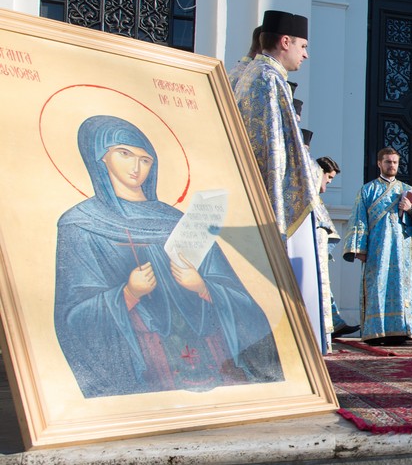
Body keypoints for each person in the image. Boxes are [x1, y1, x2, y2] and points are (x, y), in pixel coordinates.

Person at [54, 115, 281, 397]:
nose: (136, 167)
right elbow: (72, 316)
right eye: (124, 154)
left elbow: (240, 298)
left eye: (145, 159)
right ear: (99, 158)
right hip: (146, 356)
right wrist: (127, 294)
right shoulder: (79, 225)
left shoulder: (178, 220)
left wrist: (202, 287)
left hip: (210, 349)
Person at [232, 9, 329, 350]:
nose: (305, 53)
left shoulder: (247, 72)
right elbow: (277, 150)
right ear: (284, 41)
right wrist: (314, 176)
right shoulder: (268, 79)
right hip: (273, 199)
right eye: (302, 45)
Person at [343, 147, 412, 345]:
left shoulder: (407, 190)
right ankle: (376, 332)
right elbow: (359, 219)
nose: (392, 165)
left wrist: (411, 210)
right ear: (379, 164)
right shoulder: (367, 190)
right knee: (377, 287)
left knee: (400, 288)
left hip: (401, 249)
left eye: (395, 162)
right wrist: (360, 248)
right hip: (376, 249)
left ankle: (399, 331)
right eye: (388, 162)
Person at [314, 156, 358, 340]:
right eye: (329, 178)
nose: (329, 182)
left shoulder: (316, 198)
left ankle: (334, 323)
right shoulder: (308, 197)